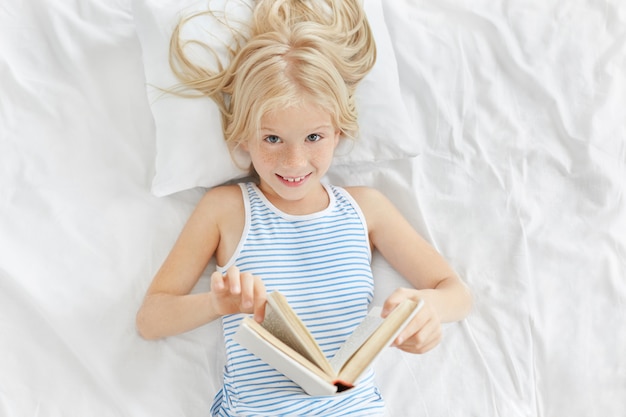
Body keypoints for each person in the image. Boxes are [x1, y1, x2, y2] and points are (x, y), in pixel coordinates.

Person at [136, 0, 472, 415]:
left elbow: (456, 293)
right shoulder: (225, 209)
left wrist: (423, 313)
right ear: (242, 137)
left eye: (314, 137)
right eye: (272, 139)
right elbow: (151, 319)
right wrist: (216, 304)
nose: (294, 163)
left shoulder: (366, 208)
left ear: (338, 131)